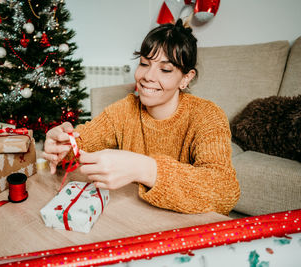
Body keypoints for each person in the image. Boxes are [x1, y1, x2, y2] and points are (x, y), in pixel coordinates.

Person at [42, 19, 240, 215]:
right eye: (144, 63)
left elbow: (225, 192)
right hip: (135, 218)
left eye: (165, 69)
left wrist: (144, 169)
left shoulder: (208, 116)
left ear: (186, 78)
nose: (148, 76)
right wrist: (61, 144)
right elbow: (81, 142)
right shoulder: (124, 110)